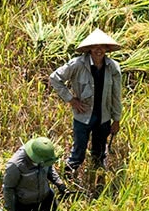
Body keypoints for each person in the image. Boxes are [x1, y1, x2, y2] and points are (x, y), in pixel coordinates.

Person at [47, 28, 123, 173]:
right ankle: (68, 178)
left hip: (103, 117)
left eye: (102, 46)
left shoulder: (113, 67)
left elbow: (116, 95)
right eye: (95, 46)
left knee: (99, 152)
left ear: (107, 48)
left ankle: (97, 177)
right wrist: (71, 100)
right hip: (83, 116)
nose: (98, 50)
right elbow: (55, 78)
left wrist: (116, 119)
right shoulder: (77, 64)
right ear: (89, 48)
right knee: (78, 153)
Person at [2, 136, 64, 211]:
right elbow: (8, 189)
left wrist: (59, 183)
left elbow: (50, 168)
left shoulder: (44, 155)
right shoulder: (15, 165)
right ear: (36, 158)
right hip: (26, 204)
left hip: (46, 196)